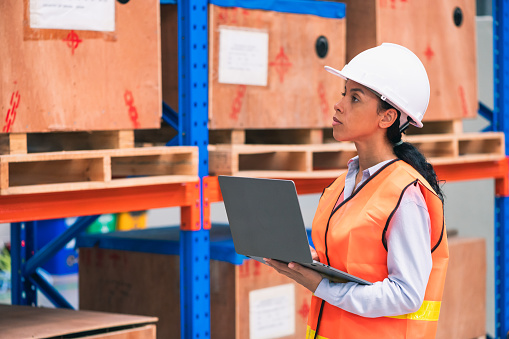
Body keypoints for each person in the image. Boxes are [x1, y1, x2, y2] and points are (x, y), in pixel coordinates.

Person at [263, 43, 449, 339]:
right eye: (343, 94)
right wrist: (310, 263)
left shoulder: (405, 195)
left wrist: (321, 286)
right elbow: (353, 262)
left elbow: (407, 294)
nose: (339, 105)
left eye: (355, 98)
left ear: (386, 117)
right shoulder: (343, 185)